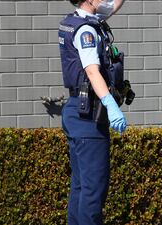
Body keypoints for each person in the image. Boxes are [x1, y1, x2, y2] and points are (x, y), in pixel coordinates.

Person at [58, 0, 126, 224]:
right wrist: (110, 103)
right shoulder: (86, 30)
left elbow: (113, 6)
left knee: (80, 186)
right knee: (93, 191)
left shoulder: (77, 20)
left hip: (76, 110)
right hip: (88, 116)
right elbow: (92, 71)